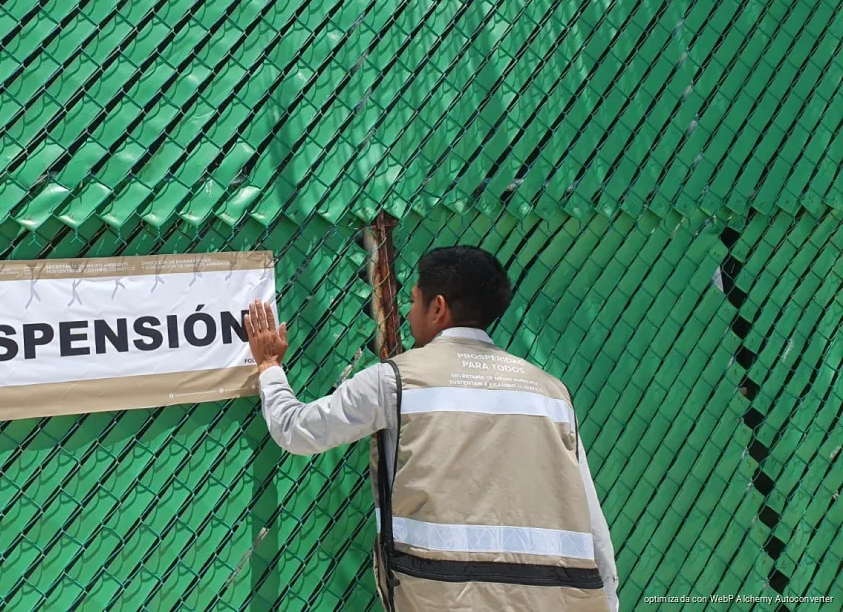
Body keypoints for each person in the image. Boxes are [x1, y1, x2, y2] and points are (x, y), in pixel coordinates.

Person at [244, 245, 619, 611]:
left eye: (412, 301)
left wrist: (270, 366)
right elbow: (589, 515)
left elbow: (297, 431)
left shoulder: (396, 380)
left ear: (437, 308)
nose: (407, 313)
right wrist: (608, 597)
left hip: (441, 595)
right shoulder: (550, 390)